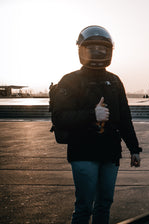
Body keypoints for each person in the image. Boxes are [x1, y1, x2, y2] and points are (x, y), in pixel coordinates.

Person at [52, 25, 142, 224]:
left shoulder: (115, 81)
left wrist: (134, 148)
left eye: (102, 49)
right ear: (81, 51)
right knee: (84, 206)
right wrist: (92, 114)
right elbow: (59, 117)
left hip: (109, 151)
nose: (98, 53)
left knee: (105, 203)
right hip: (83, 151)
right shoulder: (69, 81)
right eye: (92, 49)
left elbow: (125, 118)